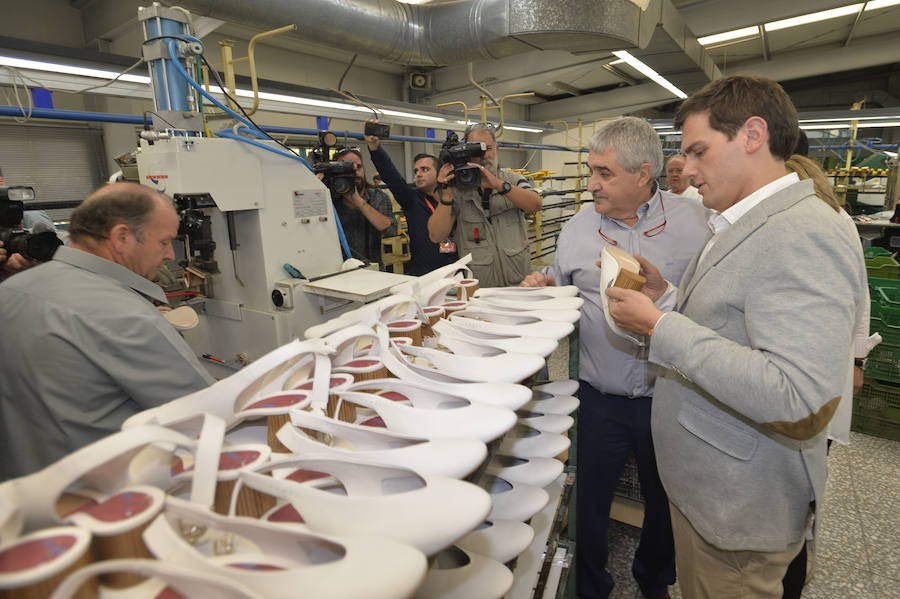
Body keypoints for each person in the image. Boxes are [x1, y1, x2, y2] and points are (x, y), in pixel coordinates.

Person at [607, 75, 866, 599]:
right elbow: (736, 323)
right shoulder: (746, 221)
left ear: (753, 134)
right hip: (710, 488)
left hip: (738, 509)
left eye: (699, 152)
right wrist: (669, 297)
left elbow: (796, 397)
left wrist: (660, 326)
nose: (688, 171)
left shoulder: (803, 231)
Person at [521, 117, 709, 599]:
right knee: (588, 500)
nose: (592, 184)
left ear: (643, 173)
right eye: (590, 171)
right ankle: (590, 584)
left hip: (668, 395)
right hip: (599, 398)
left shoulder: (695, 225)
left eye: (604, 173)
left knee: (666, 501)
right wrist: (543, 285)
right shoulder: (578, 228)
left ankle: (654, 581)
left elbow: (711, 308)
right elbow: (563, 286)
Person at [0, 182, 215, 481]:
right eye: (164, 241)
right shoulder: (127, 315)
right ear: (122, 237)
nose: (169, 254)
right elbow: (208, 416)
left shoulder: (11, 289)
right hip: (108, 502)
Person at [427, 123, 542, 287]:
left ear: (496, 148)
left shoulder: (513, 180)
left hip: (520, 284)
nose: (483, 155)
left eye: (487, 148)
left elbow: (536, 204)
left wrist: (499, 185)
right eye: (475, 150)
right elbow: (436, 236)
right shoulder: (458, 190)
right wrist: (446, 195)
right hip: (480, 289)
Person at [364, 122, 459, 275]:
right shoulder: (411, 199)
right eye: (416, 171)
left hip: (456, 270)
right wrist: (375, 147)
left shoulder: (453, 198)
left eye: (425, 169)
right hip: (424, 275)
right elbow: (391, 175)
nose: (418, 174)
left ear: (439, 171)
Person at [331, 147, 397, 268]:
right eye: (348, 167)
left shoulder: (378, 196)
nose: (355, 171)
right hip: (339, 272)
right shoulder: (330, 200)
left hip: (373, 271)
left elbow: (391, 231)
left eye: (359, 166)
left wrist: (359, 202)